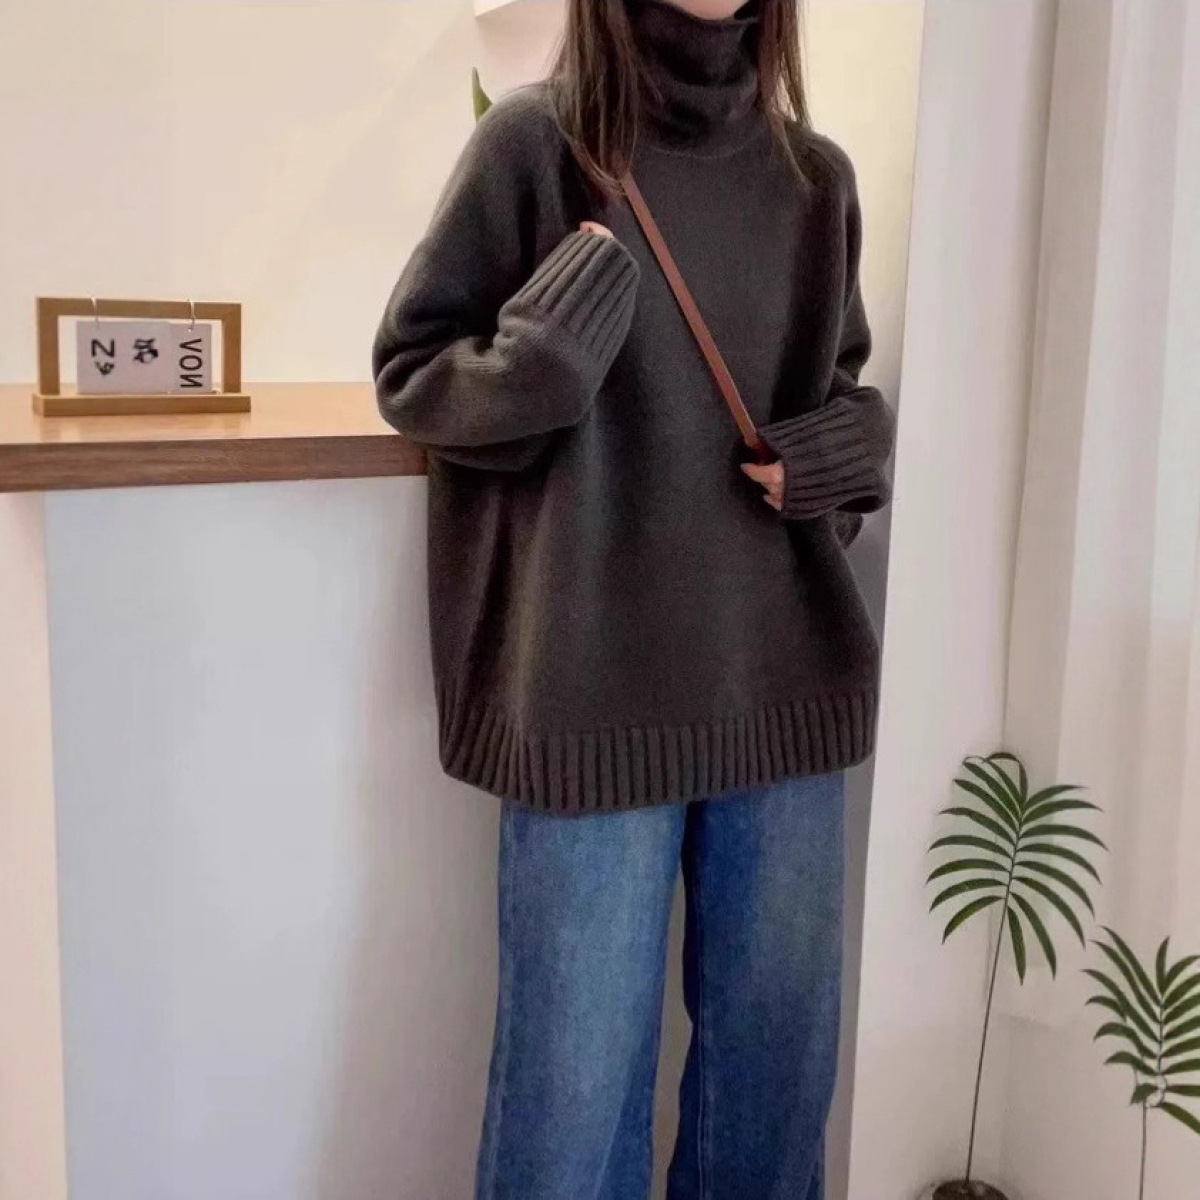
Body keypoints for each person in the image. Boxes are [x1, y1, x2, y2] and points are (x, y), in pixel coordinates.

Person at [372, 0, 895, 1195]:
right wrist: (541, 363)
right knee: (568, 1109)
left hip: (783, 689)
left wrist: (835, 452)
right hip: (590, 693)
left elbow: (846, 394)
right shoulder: (534, 147)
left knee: (772, 1103)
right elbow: (414, 374)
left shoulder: (816, 183)